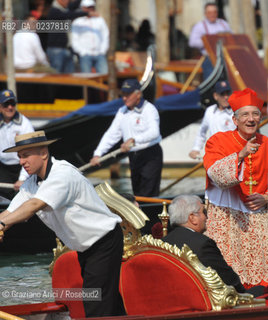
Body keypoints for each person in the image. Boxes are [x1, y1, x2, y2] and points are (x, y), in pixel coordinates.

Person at [0, 131, 125, 317]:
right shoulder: (32, 183)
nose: (21, 162)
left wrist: (1, 224)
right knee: (107, 301)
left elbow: (32, 206)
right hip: (86, 248)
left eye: (26, 155)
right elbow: (11, 212)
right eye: (19, 157)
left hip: (104, 242)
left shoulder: (62, 175)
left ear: (43, 153)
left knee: (95, 305)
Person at [203, 88, 268, 286]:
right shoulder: (218, 141)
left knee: (265, 272)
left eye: (255, 114)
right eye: (245, 115)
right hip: (226, 216)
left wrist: (267, 198)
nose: (251, 119)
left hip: (257, 215)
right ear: (235, 120)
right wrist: (240, 155)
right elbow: (214, 175)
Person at [163, 194, 264, 297]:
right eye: (204, 212)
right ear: (192, 218)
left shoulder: (163, 243)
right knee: (263, 291)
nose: (206, 217)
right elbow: (229, 281)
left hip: (175, 299)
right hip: (210, 302)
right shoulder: (202, 244)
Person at [90, 79, 163, 197]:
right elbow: (111, 134)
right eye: (123, 94)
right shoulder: (122, 112)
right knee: (138, 193)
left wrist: (134, 139)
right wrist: (98, 154)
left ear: (138, 94)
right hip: (134, 156)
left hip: (150, 155)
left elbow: (154, 132)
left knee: (148, 194)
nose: (124, 98)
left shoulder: (149, 109)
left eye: (128, 94)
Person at [0, 90, 34, 200]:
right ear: (0, 107)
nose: (10, 107)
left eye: (13, 104)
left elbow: (30, 153)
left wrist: (22, 178)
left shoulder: (25, 124)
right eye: (6, 104)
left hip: (23, 166)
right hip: (3, 168)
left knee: (25, 197)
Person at [188, 80, 235, 160]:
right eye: (222, 94)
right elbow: (202, 132)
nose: (226, 97)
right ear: (215, 96)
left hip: (234, 155)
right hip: (215, 155)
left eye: (228, 93)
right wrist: (196, 149)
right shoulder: (210, 111)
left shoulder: (237, 111)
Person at [46, 0, 92, 73]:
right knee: (56, 76)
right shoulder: (54, 11)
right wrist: (87, 13)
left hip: (67, 49)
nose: (68, 1)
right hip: (56, 50)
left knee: (70, 77)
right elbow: (68, 15)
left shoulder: (64, 9)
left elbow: (74, 5)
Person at [188, 2, 231, 78]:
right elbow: (192, 42)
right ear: (205, 14)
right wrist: (209, 42)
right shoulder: (199, 26)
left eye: (214, 12)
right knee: (211, 74)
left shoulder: (223, 24)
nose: (212, 14)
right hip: (209, 57)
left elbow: (232, 36)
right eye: (209, 12)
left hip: (225, 56)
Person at [71, 0, 109, 73]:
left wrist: (103, 50)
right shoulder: (78, 21)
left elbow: (105, 35)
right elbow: (74, 39)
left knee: (104, 76)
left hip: (99, 53)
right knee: (87, 78)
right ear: (83, 8)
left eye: (91, 7)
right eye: (88, 7)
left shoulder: (100, 20)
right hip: (85, 54)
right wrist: (82, 52)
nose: (90, 9)